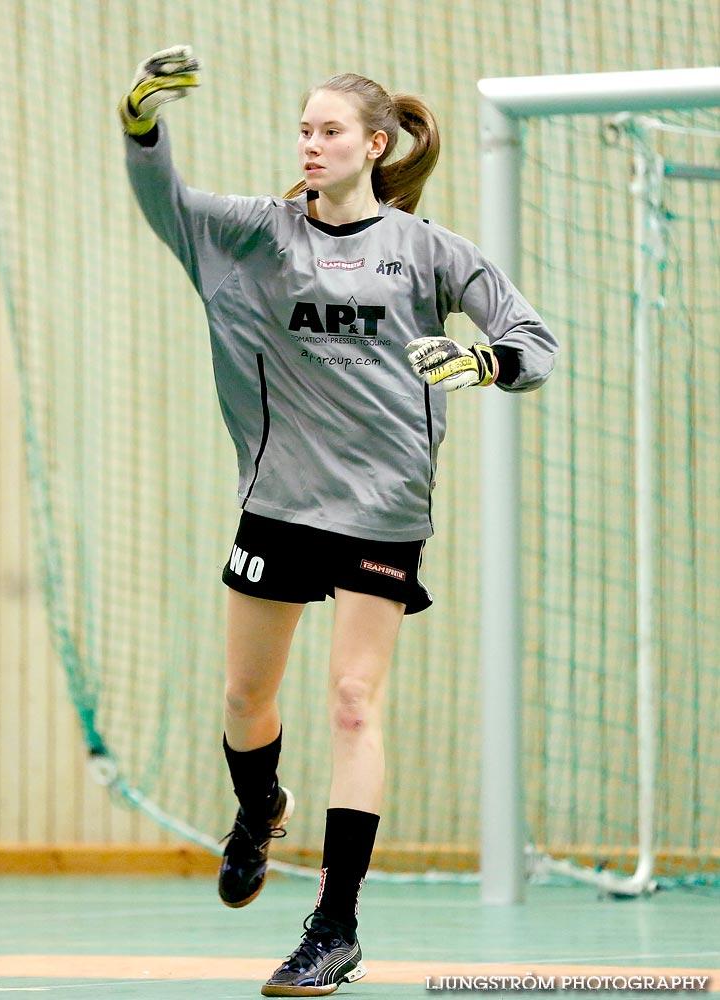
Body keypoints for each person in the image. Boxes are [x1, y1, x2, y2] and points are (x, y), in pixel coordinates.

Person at [119, 46, 558, 997]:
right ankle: (255, 810)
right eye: (304, 131)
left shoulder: (430, 250)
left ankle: (336, 926)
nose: (312, 146)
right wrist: (142, 118)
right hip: (280, 500)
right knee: (246, 701)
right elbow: (166, 200)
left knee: (355, 701)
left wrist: (483, 365)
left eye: (330, 132)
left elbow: (534, 341)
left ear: (375, 144)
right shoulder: (253, 238)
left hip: (385, 507)